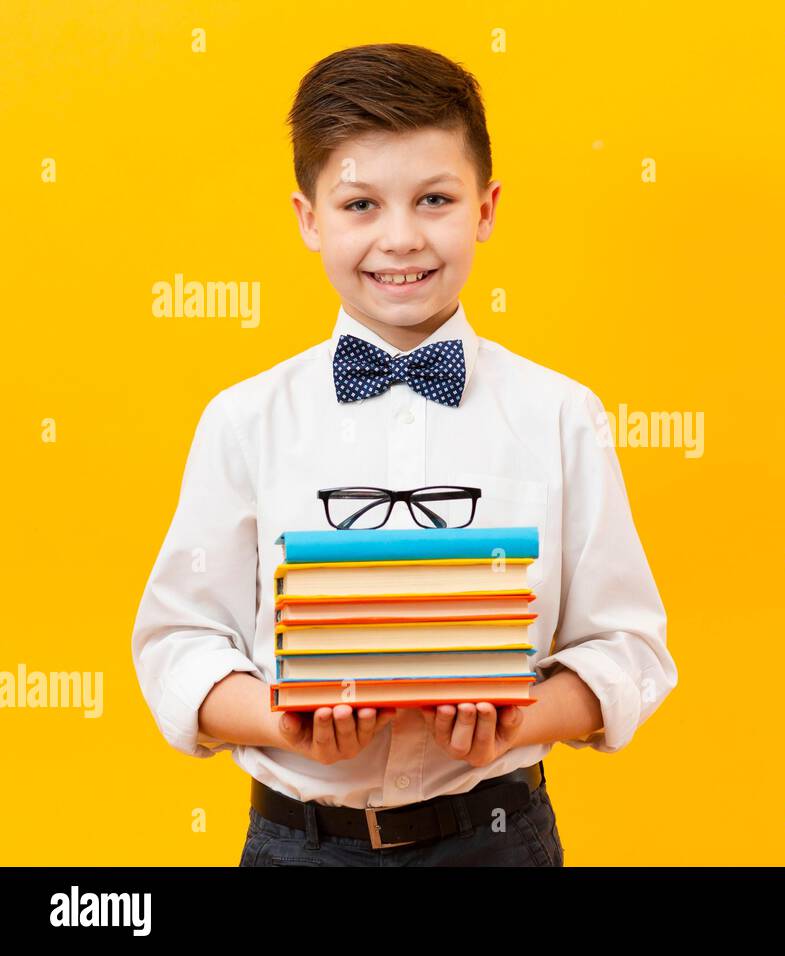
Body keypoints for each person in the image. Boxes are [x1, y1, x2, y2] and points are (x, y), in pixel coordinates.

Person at [130, 42, 676, 866]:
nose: (400, 238)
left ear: (486, 209)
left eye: (433, 199)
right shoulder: (244, 420)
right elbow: (179, 642)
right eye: (359, 205)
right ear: (308, 219)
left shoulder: (563, 416)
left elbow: (626, 649)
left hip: (496, 839)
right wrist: (279, 719)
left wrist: (520, 719)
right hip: (297, 841)